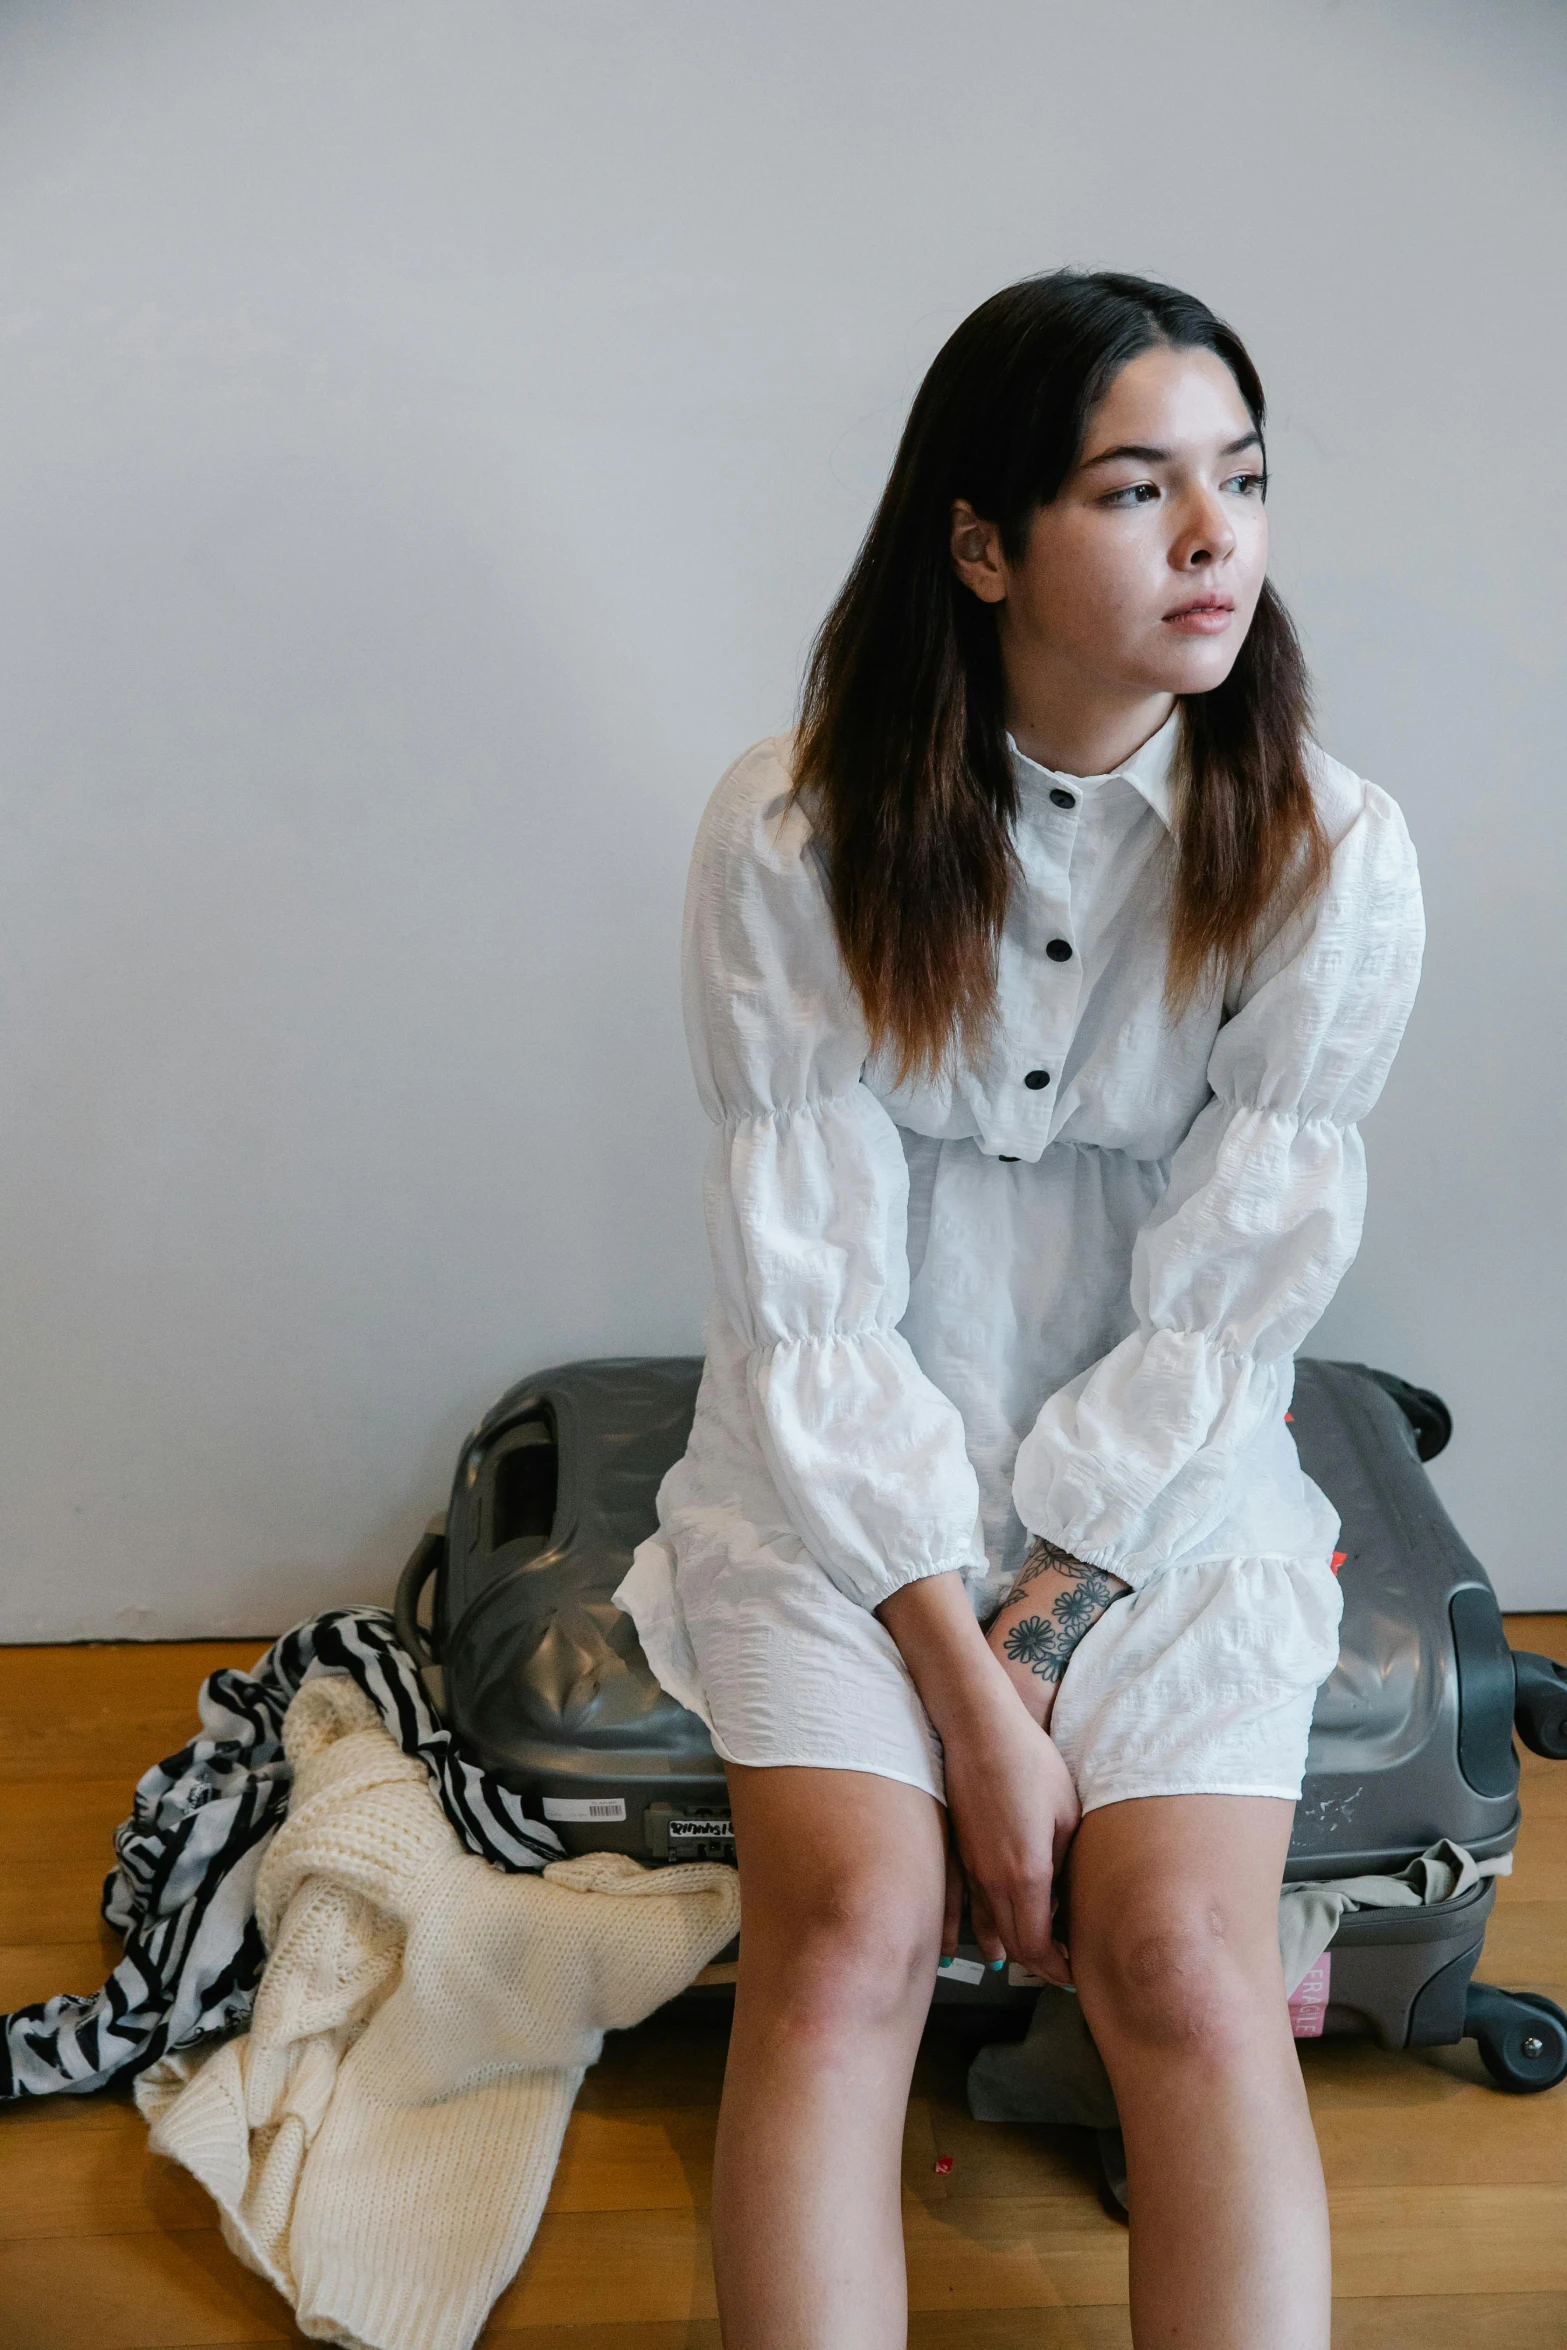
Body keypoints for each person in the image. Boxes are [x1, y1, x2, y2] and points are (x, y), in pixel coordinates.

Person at [615, 269, 1424, 2350]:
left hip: (1165, 1479)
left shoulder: (1336, 850)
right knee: (854, 1931)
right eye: (1137, 487)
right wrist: (968, 1687)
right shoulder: (791, 828)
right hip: (840, 1470)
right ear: (981, 545)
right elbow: (808, 1315)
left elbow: (1238, 1299)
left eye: (1239, 478)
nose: (1215, 536)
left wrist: (1052, 1615)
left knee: (1175, 1955)